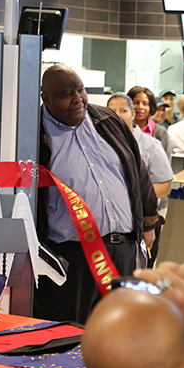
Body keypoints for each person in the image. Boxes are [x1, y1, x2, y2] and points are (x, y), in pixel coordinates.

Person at [36, 65, 160, 323]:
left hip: (124, 250)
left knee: (123, 332)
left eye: (80, 90)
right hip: (73, 258)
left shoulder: (108, 120)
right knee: (74, 336)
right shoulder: (35, 135)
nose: (77, 99)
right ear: (45, 98)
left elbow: (138, 170)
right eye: (66, 94)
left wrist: (149, 221)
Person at [107, 93, 174, 267]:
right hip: (111, 225)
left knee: (141, 272)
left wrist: (133, 201)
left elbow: (165, 185)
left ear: (132, 114)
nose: (117, 115)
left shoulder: (151, 144)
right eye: (111, 111)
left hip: (145, 219)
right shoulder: (99, 144)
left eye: (123, 110)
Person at [128, 86, 174, 159]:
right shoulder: (122, 130)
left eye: (145, 104)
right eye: (136, 103)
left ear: (151, 107)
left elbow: (166, 163)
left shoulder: (160, 133)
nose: (140, 107)